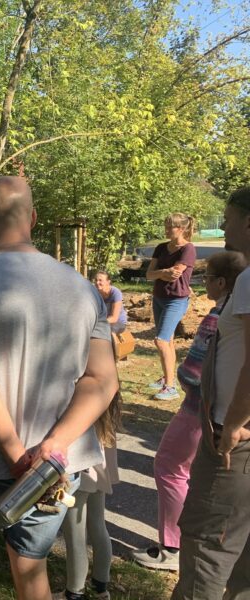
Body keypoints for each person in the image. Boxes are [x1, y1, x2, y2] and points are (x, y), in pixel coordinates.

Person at [0, 176, 119, 600]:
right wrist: (52, 449)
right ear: (34, 218)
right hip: (58, 465)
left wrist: (18, 459)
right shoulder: (82, 288)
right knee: (31, 565)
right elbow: (103, 380)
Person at [133, 251, 246, 572]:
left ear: (221, 282)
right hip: (222, 411)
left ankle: (172, 546)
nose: (203, 284)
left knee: (169, 467)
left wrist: (180, 377)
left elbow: (194, 372)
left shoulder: (216, 316)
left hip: (198, 410)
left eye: (207, 278)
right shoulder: (240, 315)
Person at [172, 187, 250, 599]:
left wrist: (234, 424)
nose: (224, 227)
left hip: (233, 442)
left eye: (228, 218)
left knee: (206, 550)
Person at [54, 394, 121, 600]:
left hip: (81, 469)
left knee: (75, 533)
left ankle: (74, 592)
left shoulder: (81, 397)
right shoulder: (105, 394)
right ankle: (101, 586)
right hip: (99, 468)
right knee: (98, 524)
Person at [145, 213, 197, 400]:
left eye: (170, 227)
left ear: (181, 229)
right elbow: (149, 275)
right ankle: (168, 377)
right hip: (159, 297)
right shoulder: (161, 247)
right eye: (165, 226)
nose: (166, 230)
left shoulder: (188, 249)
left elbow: (175, 274)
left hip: (176, 300)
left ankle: (170, 388)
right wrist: (162, 273)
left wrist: (160, 273)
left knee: (161, 341)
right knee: (168, 341)